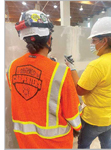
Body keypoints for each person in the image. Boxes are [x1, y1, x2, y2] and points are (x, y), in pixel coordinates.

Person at [6, 10, 81, 148]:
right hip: (56, 143)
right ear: (49, 38)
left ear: (25, 39)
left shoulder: (11, 67)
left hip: (26, 142)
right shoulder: (60, 71)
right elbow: (72, 115)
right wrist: (78, 127)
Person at [65, 17, 111, 148]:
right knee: (106, 143)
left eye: (94, 41)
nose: (92, 44)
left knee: (83, 145)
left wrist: (71, 68)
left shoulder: (97, 65)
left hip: (94, 119)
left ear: (104, 41)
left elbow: (80, 89)